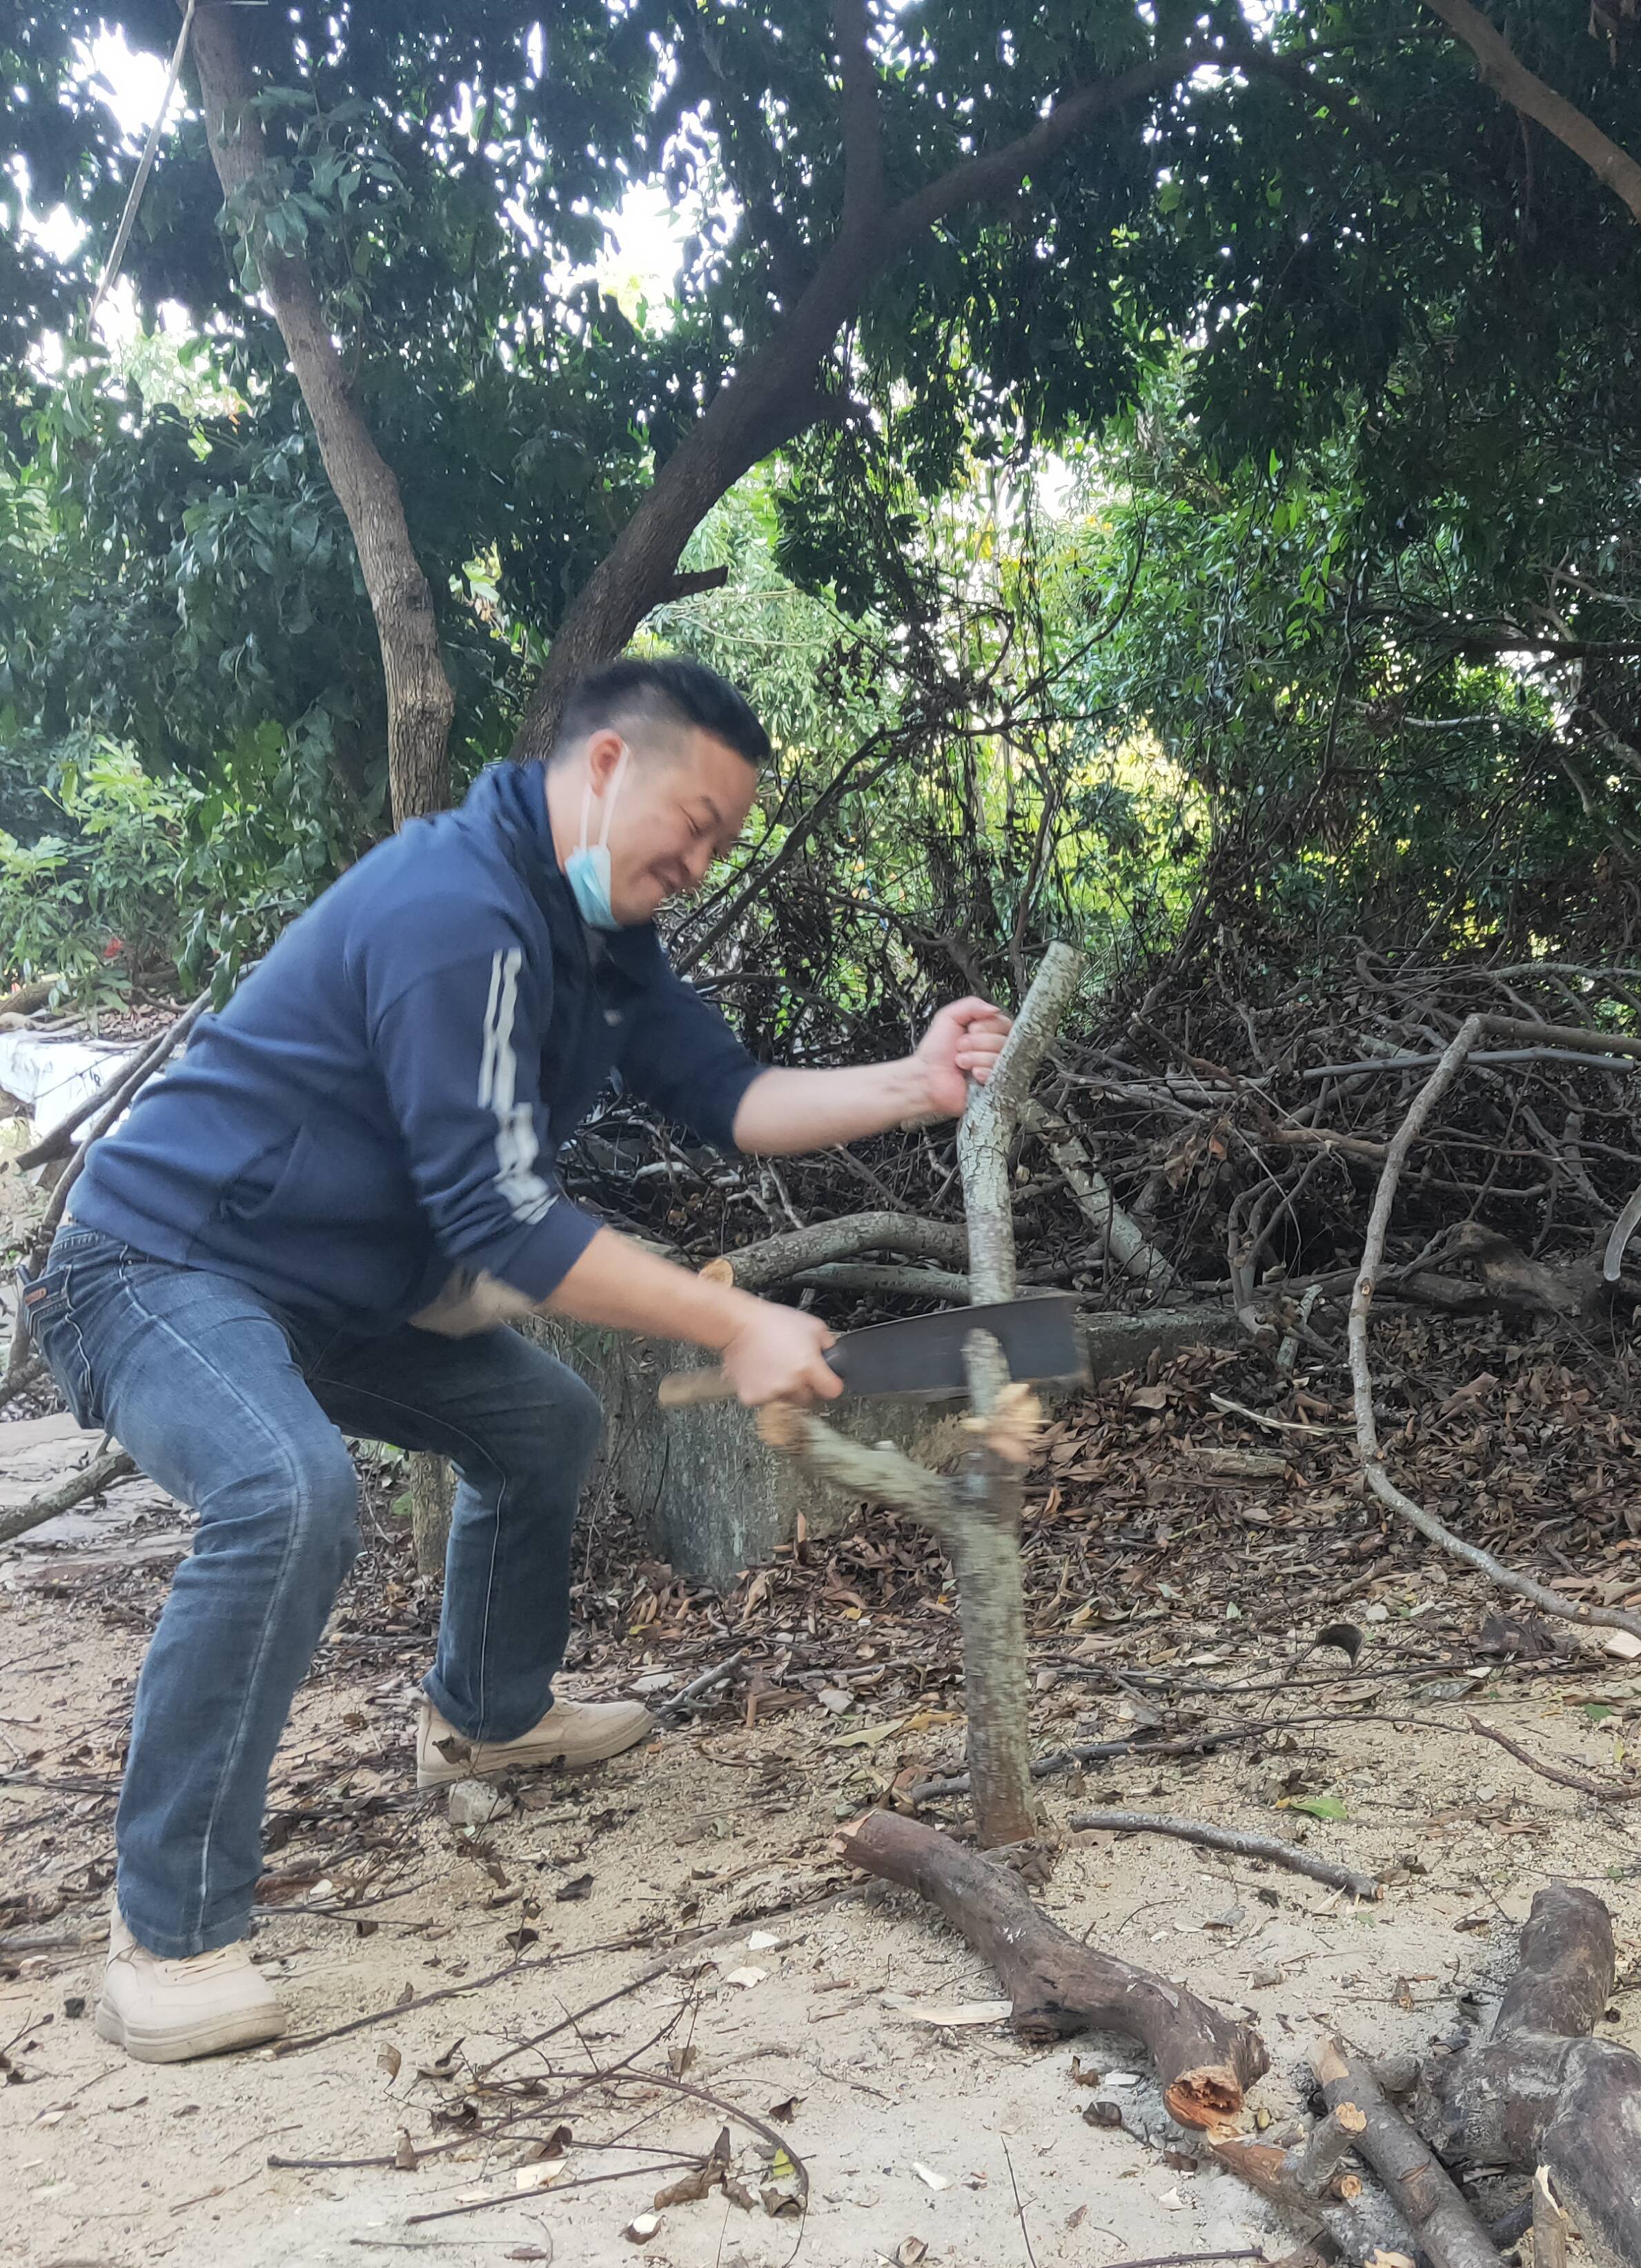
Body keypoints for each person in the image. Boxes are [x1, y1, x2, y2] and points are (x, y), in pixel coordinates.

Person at [26, 658, 1010, 2061]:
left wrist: (916, 1084)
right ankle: (170, 1937)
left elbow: (726, 1098)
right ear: (607, 765)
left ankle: (485, 1721)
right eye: (697, 816)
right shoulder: (457, 913)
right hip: (156, 1266)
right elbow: (500, 1216)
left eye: (726, 838)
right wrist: (732, 1321)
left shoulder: (597, 940)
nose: (703, 855)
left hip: (330, 1298)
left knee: (538, 1424)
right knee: (287, 1491)